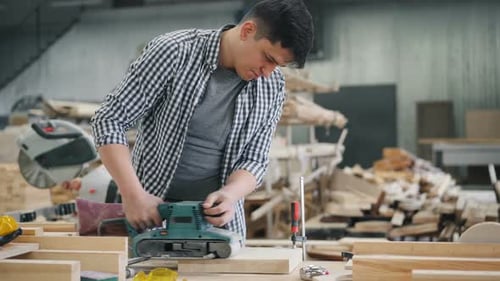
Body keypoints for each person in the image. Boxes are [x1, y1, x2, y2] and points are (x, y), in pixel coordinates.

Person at [90, 0, 314, 240]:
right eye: (268, 58)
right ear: (247, 31)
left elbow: (255, 160)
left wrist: (230, 195)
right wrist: (133, 194)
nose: (267, 72)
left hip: (219, 229)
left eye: (278, 66)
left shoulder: (272, 86)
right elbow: (110, 119)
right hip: (149, 217)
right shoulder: (174, 52)